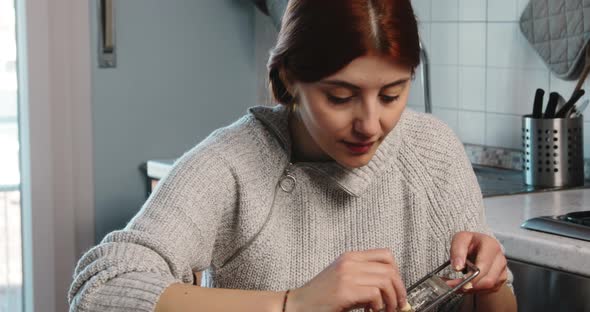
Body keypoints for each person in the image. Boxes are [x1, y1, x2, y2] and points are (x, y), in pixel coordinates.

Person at [68, 0, 517, 311]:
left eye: (391, 94)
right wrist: (293, 304)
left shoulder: (434, 151)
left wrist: (490, 285)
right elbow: (100, 289)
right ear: (288, 80)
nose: (370, 124)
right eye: (340, 97)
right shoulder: (233, 164)